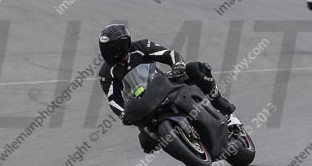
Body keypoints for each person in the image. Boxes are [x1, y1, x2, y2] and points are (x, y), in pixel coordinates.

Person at [98, 24, 236, 152]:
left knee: (196, 69)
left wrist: (178, 65)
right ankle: (182, 144)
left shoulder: (140, 47)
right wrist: (123, 113)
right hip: (141, 103)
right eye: (105, 49)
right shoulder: (105, 73)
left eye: (111, 49)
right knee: (147, 143)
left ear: (123, 45)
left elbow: (168, 54)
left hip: (162, 84)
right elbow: (113, 99)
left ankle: (219, 102)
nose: (108, 53)